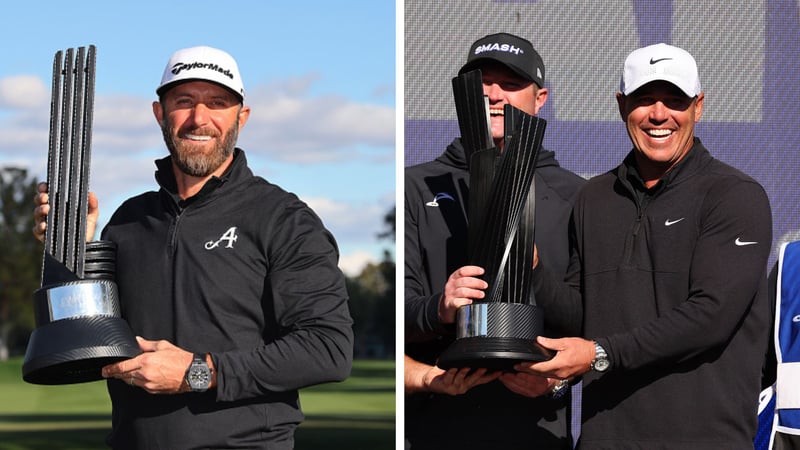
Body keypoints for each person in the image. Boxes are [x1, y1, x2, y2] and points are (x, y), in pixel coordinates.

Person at [33, 45, 353, 449]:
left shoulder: (284, 219)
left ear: (242, 117)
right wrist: (74, 251)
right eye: (184, 101)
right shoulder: (129, 221)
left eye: (217, 103)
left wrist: (196, 372)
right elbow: (89, 341)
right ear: (159, 114)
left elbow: (328, 349)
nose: (199, 118)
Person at [517, 43, 773, 448]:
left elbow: (710, 316)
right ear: (621, 105)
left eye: (674, 100)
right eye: (644, 100)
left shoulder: (735, 196)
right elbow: (584, 315)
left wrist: (600, 353)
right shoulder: (593, 198)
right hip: (604, 439)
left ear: (698, 107)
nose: (658, 115)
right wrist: (530, 268)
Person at [405, 32, 586, 449]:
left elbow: (589, 322)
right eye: (483, 82)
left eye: (510, 83)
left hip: (535, 432)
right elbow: (391, 320)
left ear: (540, 98)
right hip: (432, 429)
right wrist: (442, 307)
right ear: (464, 92)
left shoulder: (578, 196)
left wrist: (532, 267)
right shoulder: (416, 186)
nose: (494, 94)